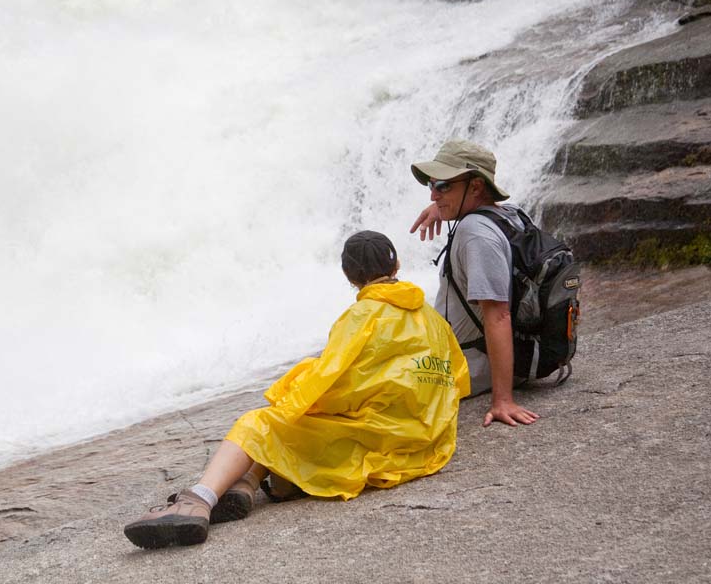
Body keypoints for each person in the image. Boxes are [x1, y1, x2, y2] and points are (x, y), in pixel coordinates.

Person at [123, 231, 468, 549]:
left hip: (376, 441)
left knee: (261, 423)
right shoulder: (432, 318)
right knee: (288, 425)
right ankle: (246, 484)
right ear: (396, 265)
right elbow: (458, 381)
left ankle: (196, 501)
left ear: (349, 276)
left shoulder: (362, 315)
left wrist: (286, 391)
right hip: (424, 442)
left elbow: (326, 386)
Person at [409, 138, 539, 428]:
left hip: (469, 366)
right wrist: (443, 208)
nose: (432, 196)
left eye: (443, 186)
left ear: (476, 187)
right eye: (431, 185)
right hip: (489, 353)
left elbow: (498, 315)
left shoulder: (475, 234)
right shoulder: (509, 213)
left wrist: (502, 399)